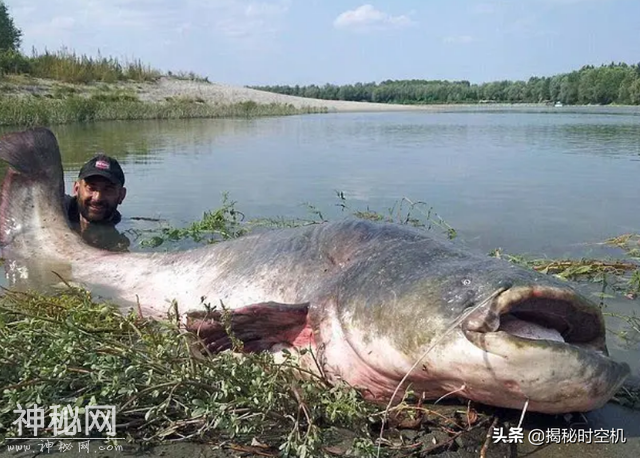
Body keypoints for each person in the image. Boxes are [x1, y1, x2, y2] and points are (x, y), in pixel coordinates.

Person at [65, 154, 131, 252]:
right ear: (76, 188)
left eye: (108, 190)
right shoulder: (56, 209)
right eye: (91, 188)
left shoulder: (123, 227)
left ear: (122, 195)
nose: (97, 198)